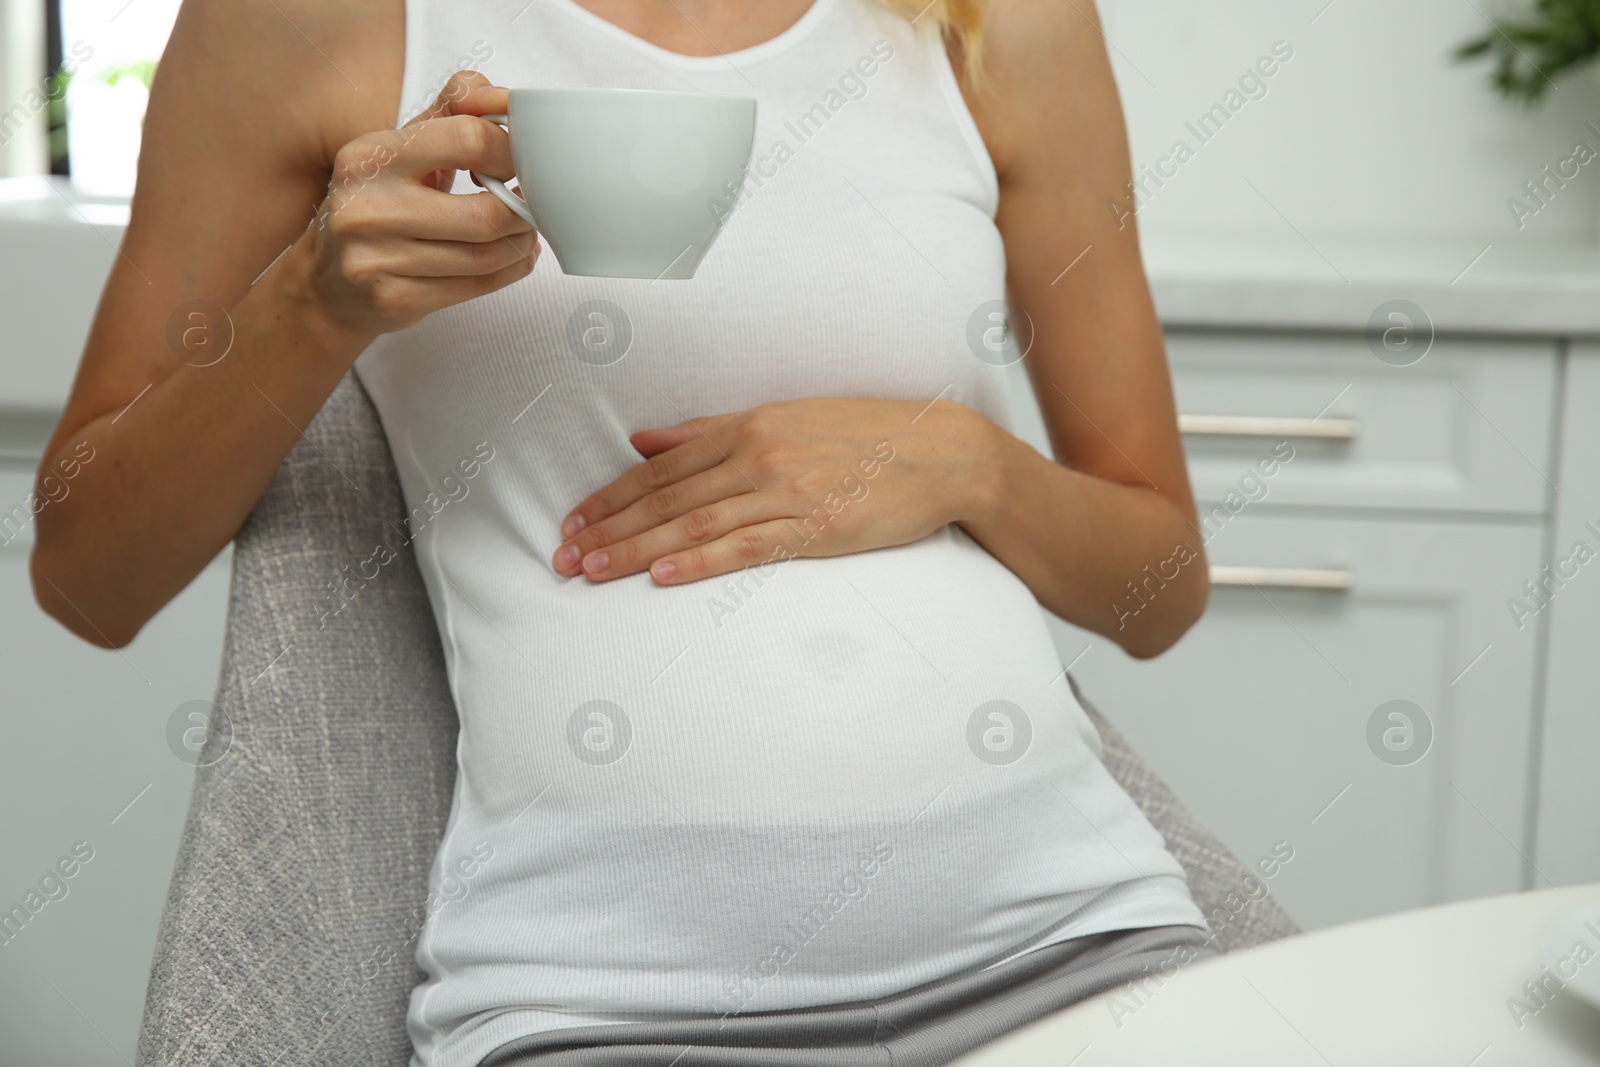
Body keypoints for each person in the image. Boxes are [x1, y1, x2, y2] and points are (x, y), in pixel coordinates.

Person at [32, 1, 1216, 1064]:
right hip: (604, 997)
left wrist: (971, 465)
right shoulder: (306, 23)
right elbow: (90, 574)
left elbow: (1158, 588)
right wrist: (307, 303)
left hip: (1074, 941)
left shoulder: (998, 24)